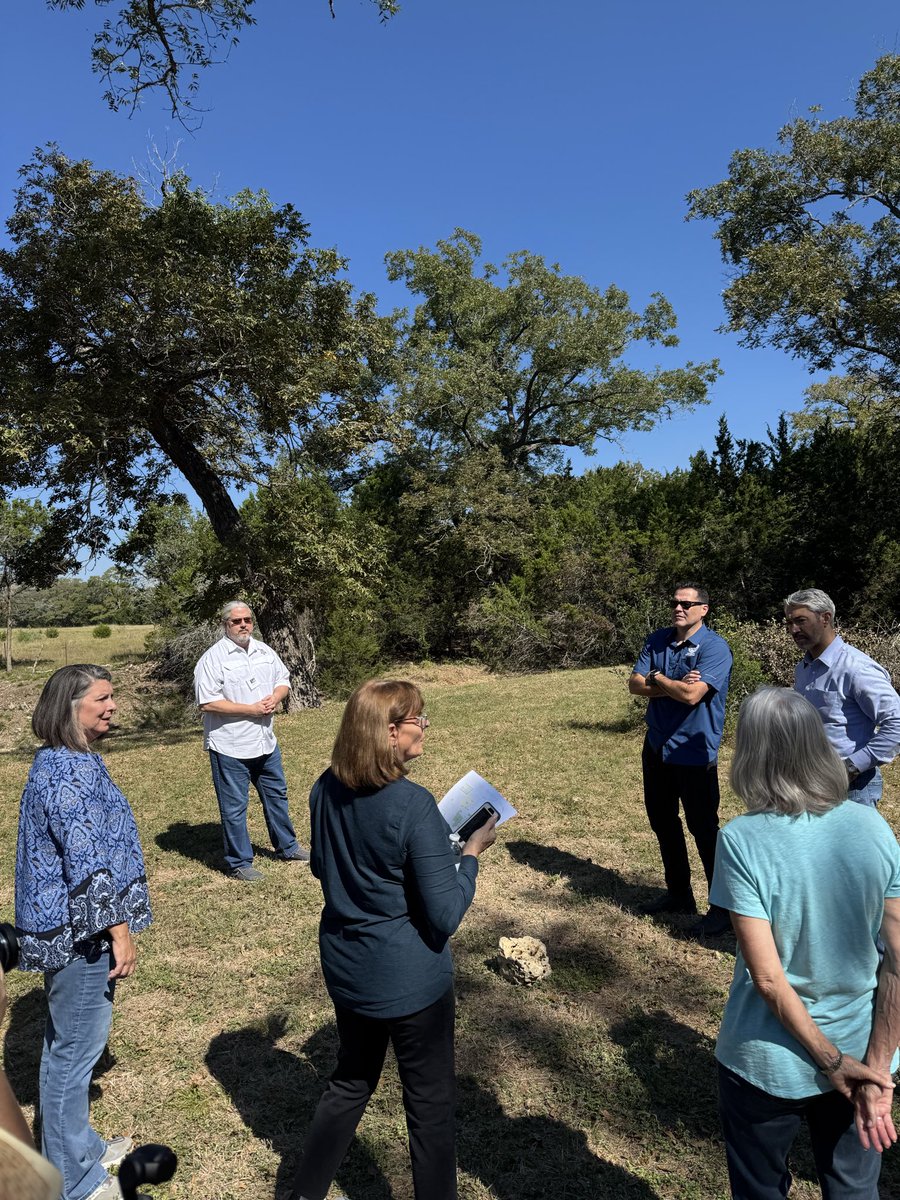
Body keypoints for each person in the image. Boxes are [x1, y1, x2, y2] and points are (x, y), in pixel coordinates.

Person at [290, 679, 497, 1200]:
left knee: (349, 1082)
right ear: (388, 731)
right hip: (410, 981)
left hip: (348, 970)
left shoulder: (323, 787)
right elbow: (447, 912)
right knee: (429, 1105)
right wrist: (469, 854)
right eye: (418, 721)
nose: (424, 728)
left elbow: (322, 867)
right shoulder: (412, 804)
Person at [711, 686, 900, 1199]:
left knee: (760, 1189)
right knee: (855, 1188)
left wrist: (832, 1062)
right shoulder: (874, 826)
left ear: (750, 752)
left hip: (767, 1061)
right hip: (864, 1049)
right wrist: (874, 1070)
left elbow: (769, 980)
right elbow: (899, 961)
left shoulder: (741, 839)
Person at [15, 666, 153, 1200]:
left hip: (80, 932)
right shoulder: (66, 774)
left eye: (113, 695)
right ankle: (70, 1180)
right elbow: (87, 867)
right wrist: (120, 933)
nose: (113, 705)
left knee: (75, 1048)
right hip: (83, 936)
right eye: (103, 698)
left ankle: (81, 1148)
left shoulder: (68, 762)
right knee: (72, 1054)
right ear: (69, 708)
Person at [629, 582, 733, 936]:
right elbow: (634, 684)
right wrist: (669, 681)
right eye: (675, 602)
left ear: (704, 609)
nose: (679, 608)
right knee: (663, 821)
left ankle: (722, 909)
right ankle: (679, 895)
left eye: (687, 603)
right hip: (657, 747)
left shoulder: (715, 648)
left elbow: (692, 696)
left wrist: (656, 678)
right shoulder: (657, 639)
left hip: (694, 750)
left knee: (704, 828)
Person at [193, 600, 309, 881]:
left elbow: (283, 678)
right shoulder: (213, 659)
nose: (243, 625)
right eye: (236, 621)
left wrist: (276, 697)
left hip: (265, 741)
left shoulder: (264, 651)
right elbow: (207, 702)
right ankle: (239, 863)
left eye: (247, 620)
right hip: (230, 745)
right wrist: (251, 710)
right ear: (225, 625)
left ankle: (287, 847)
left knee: (276, 796)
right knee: (234, 807)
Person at [785, 588, 900, 807]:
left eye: (801, 621)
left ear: (825, 618)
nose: (793, 630)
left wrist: (852, 766)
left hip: (851, 789)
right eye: (789, 623)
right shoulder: (804, 668)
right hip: (809, 783)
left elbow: (896, 723)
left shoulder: (856, 668)